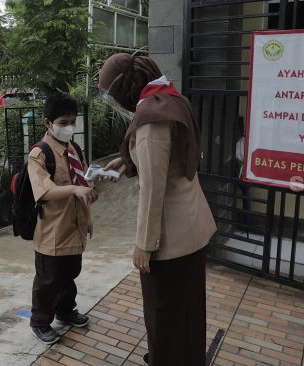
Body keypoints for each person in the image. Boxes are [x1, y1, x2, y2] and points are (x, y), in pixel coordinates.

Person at [98, 54, 217, 366]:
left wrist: (144, 245)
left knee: (163, 313)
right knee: (188, 312)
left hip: (171, 238)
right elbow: (169, 158)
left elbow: (154, 190)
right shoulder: (171, 99)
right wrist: (126, 162)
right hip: (192, 227)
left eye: (112, 94)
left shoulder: (150, 118)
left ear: (124, 90)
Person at [28, 92, 98, 344]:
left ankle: (65, 310)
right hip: (52, 229)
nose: (70, 127)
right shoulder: (40, 153)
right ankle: (40, 321)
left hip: (74, 225)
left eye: (73, 121)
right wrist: (75, 189)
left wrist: (88, 214)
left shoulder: (75, 149)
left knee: (70, 273)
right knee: (48, 279)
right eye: (64, 122)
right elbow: (44, 191)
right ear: (48, 123)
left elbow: (84, 181)